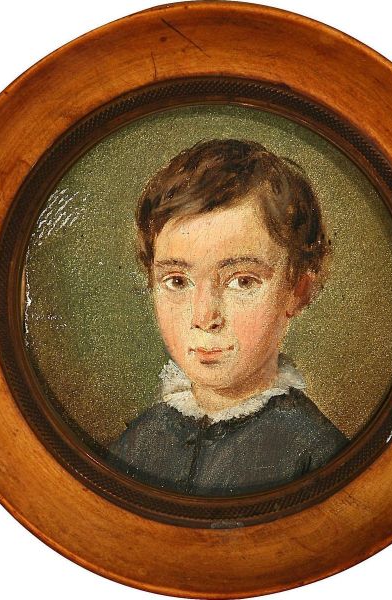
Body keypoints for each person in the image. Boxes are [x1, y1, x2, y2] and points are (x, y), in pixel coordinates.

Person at [107, 139, 347, 496]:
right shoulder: (138, 441)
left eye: (242, 281)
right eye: (177, 281)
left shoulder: (318, 454)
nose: (205, 316)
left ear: (298, 291)